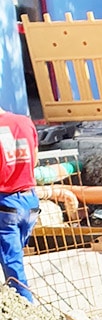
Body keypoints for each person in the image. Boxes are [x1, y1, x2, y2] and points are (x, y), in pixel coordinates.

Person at [0, 107, 41, 301]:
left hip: (5, 202)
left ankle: (26, 308)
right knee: (15, 257)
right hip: (29, 202)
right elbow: (34, 160)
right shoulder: (24, 121)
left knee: (13, 265)